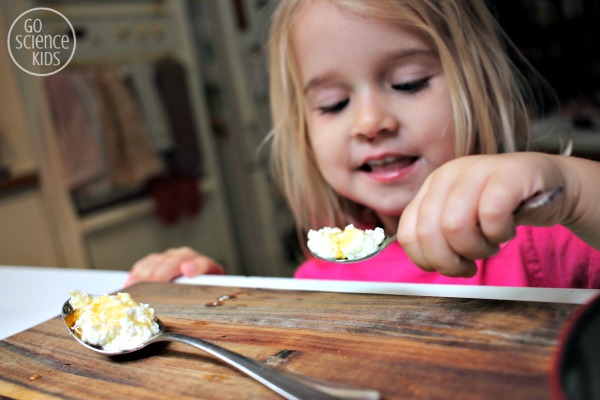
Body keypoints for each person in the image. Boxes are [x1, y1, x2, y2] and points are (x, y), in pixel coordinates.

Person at [126, 0, 600, 288]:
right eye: (333, 104)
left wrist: (575, 191)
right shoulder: (318, 280)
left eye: (410, 83)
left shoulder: (542, 238)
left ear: (479, 86)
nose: (370, 123)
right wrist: (208, 296)